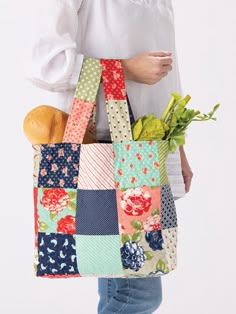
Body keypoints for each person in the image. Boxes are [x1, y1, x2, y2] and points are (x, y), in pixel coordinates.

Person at [26, 1, 193, 313]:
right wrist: (126, 68)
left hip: (148, 147)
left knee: (124, 288)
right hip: (103, 145)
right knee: (135, 296)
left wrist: (177, 148)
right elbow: (44, 62)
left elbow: (166, 68)